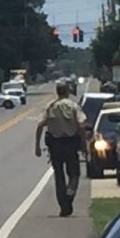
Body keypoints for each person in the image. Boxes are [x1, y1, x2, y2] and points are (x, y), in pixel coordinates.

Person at [35, 81, 87, 217]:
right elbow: (81, 125)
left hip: (55, 145)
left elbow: (40, 125)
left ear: (57, 92)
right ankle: (70, 193)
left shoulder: (51, 106)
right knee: (74, 174)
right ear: (68, 92)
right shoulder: (73, 106)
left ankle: (63, 205)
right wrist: (83, 144)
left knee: (59, 176)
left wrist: (37, 147)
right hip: (71, 144)